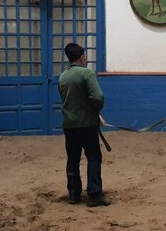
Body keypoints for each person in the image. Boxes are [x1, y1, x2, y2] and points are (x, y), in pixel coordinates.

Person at [58, 43, 110, 207]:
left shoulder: (63, 76)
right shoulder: (87, 73)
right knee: (94, 157)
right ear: (81, 57)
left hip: (69, 124)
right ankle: (94, 194)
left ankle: (74, 193)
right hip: (86, 123)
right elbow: (98, 97)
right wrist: (96, 111)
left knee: (72, 158)